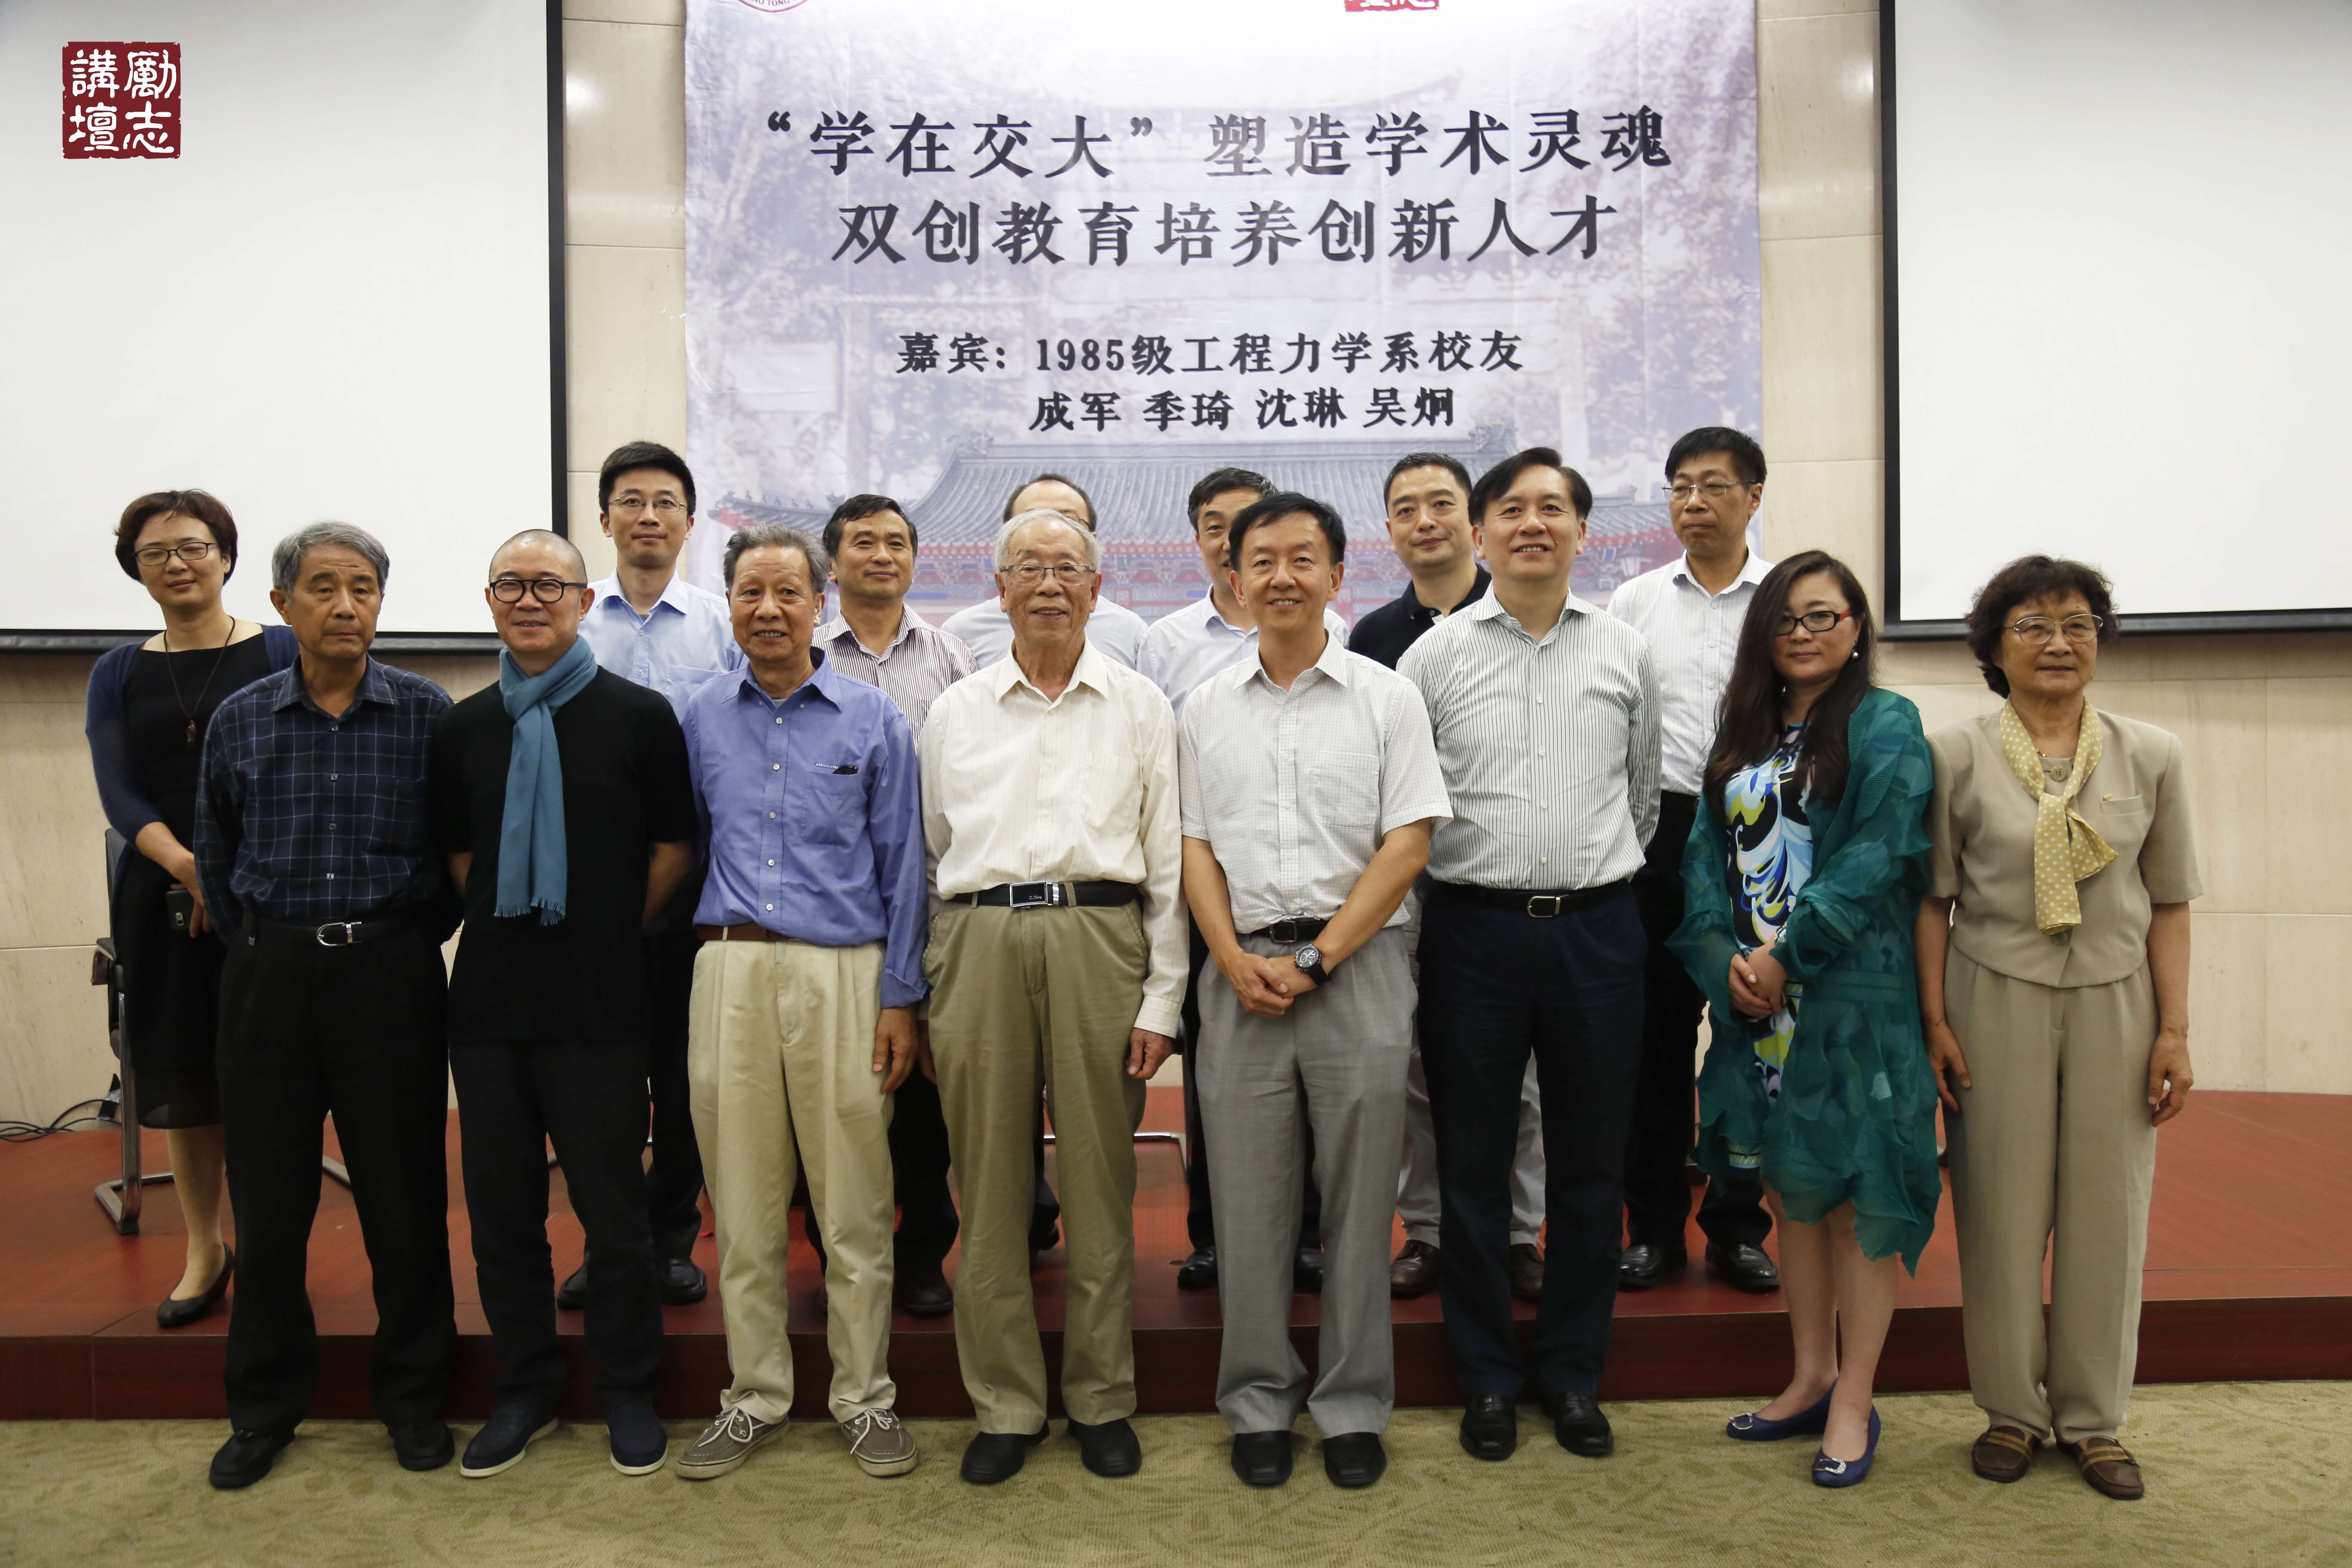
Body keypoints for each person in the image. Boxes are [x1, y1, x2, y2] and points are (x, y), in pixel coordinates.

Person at [1179, 492, 1448, 1491]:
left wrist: (1321, 958)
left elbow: (1408, 842)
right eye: (1262, 560)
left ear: (1338, 575)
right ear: (1235, 578)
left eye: (1303, 558)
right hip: (1241, 973)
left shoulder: (1387, 698)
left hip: (1358, 968)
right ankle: (1256, 1399)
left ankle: (1350, 1404)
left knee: (1359, 1203)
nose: (1281, 576)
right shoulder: (1203, 707)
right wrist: (1228, 956)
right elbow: (1193, 847)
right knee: (1247, 1209)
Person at [1399, 447, 1660, 1465]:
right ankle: (1485, 1378)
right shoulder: (1434, 658)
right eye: (1510, 509)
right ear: (1480, 533)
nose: (1531, 524)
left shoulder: (1625, 650)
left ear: (1582, 532)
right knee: (1471, 1164)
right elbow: (1406, 808)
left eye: (1552, 508)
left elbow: (1641, 797)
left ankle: (1571, 1373)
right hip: (1472, 932)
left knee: (1590, 1165)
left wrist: (1584, 872)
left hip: (1598, 930)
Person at [1919, 556, 2199, 1503]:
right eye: (2033, 626)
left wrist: (2175, 1030)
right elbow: (1932, 900)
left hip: (2119, 999)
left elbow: (2171, 901)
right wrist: (1933, 1019)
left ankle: (2093, 1419)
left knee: (2109, 1212)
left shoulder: (2152, 753)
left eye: (2077, 624)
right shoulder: (1953, 755)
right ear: (1994, 647)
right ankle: (2009, 1409)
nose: (2058, 643)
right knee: (1997, 1208)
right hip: (1990, 995)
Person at [191, 522, 459, 1489]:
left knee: (404, 1200)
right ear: (281, 604)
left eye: (363, 588)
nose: (346, 605)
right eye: (323, 588)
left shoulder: (428, 715)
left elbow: (451, 860)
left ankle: (416, 1400)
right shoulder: (241, 718)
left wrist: (393, 940)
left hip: (389, 976)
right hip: (270, 978)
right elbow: (216, 856)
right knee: (270, 1206)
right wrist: (274, 943)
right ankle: (264, 1408)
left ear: (381, 602)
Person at [921, 508, 1184, 1485]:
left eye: (1066, 567)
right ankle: (1005, 1403)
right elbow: (931, 852)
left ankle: (1101, 1396)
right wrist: (931, 980)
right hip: (978, 940)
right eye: (1026, 567)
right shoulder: (956, 711)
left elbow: (1166, 862)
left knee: (1099, 1181)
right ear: (997, 589)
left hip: (1097, 937)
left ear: (1096, 589)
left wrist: (1162, 999)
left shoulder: (1140, 705)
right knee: (987, 1184)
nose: (1046, 583)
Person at [1669, 551, 1940, 1490]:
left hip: (1850, 1001)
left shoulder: (1885, 722)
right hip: (1759, 1008)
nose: (1803, 633)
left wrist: (1788, 955)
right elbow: (1702, 858)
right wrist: (1724, 960)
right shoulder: (1744, 725)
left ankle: (1856, 1397)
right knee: (1794, 1194)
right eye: (1786, 618)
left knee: (1856, 1195)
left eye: (1824, 615)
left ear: (1857, 627)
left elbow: (1876, 856)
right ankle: (1811, 1374)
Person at [429, 530, 694, 1480]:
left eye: (550, 585)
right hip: (490, 1009)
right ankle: (525, 1387)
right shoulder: (463, 727)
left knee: (613, 1216)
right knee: (503, 1216)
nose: (530, 599)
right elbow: (461, 858)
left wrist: (605, 928)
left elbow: (673, 848)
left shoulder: (639, 717)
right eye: (512, 584)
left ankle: (627, 1388)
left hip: (601, 1002)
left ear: (585, 602)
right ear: (490, 602)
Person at [674, 524, 927, 1482]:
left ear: (820, 603)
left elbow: (904, 866)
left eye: (788, 592)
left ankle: (865, 1397)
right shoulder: (700, 716)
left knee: (854, 1201)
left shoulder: (873, 718)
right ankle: (754, 1396)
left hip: (846, 976)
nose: (770, 610)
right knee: (741, 1205)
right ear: (730, 605)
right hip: (730, 969)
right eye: (751, 593)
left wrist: (901, 997)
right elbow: (689, 844)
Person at [86, 491, 296, 1330]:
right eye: (156, 552)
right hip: (165, 895)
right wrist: (187, 865)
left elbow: (303, 764)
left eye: (194, 546)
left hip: (268, 892)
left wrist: (232, 874)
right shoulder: (116, 671)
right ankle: (205, 1248)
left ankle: (271, 1252)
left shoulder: (280, 648)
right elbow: (120, 791)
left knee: (269, 1076)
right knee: (186, 1072)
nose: (177, 563)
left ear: (227, 556)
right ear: (136, 570)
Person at [1138, 466, 1344, 1294]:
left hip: (1309, 892)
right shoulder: (1165, 642)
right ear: (1204, 544)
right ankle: (1214, 1234)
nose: (1232, 540)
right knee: (1217, 1079)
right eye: (1216, 526)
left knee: (1314, 1080)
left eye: (1247, 523)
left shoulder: (1334, 633)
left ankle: (1307, 1236)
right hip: (1210, 889)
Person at [1350, 452, 1547, 1304]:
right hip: (1411, 885)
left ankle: (1519, 1234)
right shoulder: (1371, 637)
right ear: (1389, 531)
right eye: (1406, 509)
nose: (1423, 521)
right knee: (1418, 1072)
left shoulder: (1521, 614)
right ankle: (1427, 1230)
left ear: (1472, 523)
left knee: (1521, 1076)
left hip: (1502, 879)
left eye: (1440, 504)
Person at [1608, 427, 1781, 1294]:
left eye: (1713, 485)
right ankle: (1653, 1228)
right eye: (1680, 486)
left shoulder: (1785, 600)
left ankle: (1739, 1227)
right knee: (1654, 1041)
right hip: (1660, 834)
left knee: (1752, 1036)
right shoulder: (1634, 602)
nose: (1694, 502)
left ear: (1754, 497)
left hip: (1762, 835)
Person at [570, 440, 741, 1311]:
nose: (648, 516)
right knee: (594, 1082)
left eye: (665, 502)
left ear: (689, 521)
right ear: (603, 518)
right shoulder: (570, 620)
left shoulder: (721, 625)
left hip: (692, 886)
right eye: (631, 501)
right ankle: (607, 1244)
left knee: (682, 1079)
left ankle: (671, 1240)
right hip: (584, 885)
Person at [812, 493, 976, 1318]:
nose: (882, 554)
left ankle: (920, 1256)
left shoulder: (950, 657)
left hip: (933, 901)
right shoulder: (805, 655)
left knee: (923, 1102)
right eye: (864, 542)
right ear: (832, 562)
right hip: (831, 907)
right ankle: (839, 1260)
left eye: (896, 542)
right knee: (836, 1099)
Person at [941, 473, 1149, 669]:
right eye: (1032, 520)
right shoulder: (962, 634)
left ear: (1093, 542)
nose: (1051, 530)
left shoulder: (1131, 633)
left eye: (1068, 521)